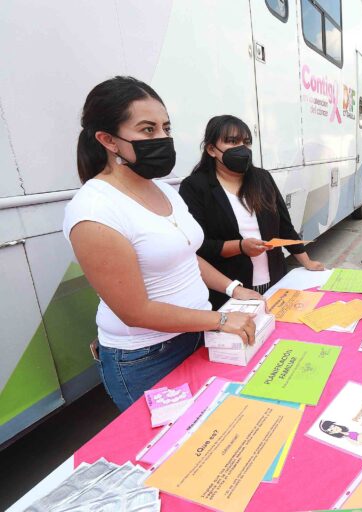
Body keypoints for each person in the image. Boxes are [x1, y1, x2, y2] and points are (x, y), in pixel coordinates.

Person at [64, 77, 261, 411]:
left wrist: (233, 290)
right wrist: (222, 321)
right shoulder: (94, 211)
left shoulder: (164, 188)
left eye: (165, 128)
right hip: (146, 357)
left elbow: (183, 255)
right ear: (108, 140)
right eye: (147, 130)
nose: (163, 138)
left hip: (197, 332)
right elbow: (135, 311)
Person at [179, 115, 323, 309]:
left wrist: (307, 262)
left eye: (246, 142)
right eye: (232, 141)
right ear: (211, 149)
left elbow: (284, 226)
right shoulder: (195, 186)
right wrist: (240, 246)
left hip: (275, 281)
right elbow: (199, 246)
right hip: (231, 290)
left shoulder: (262, 179)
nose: (242, 148)